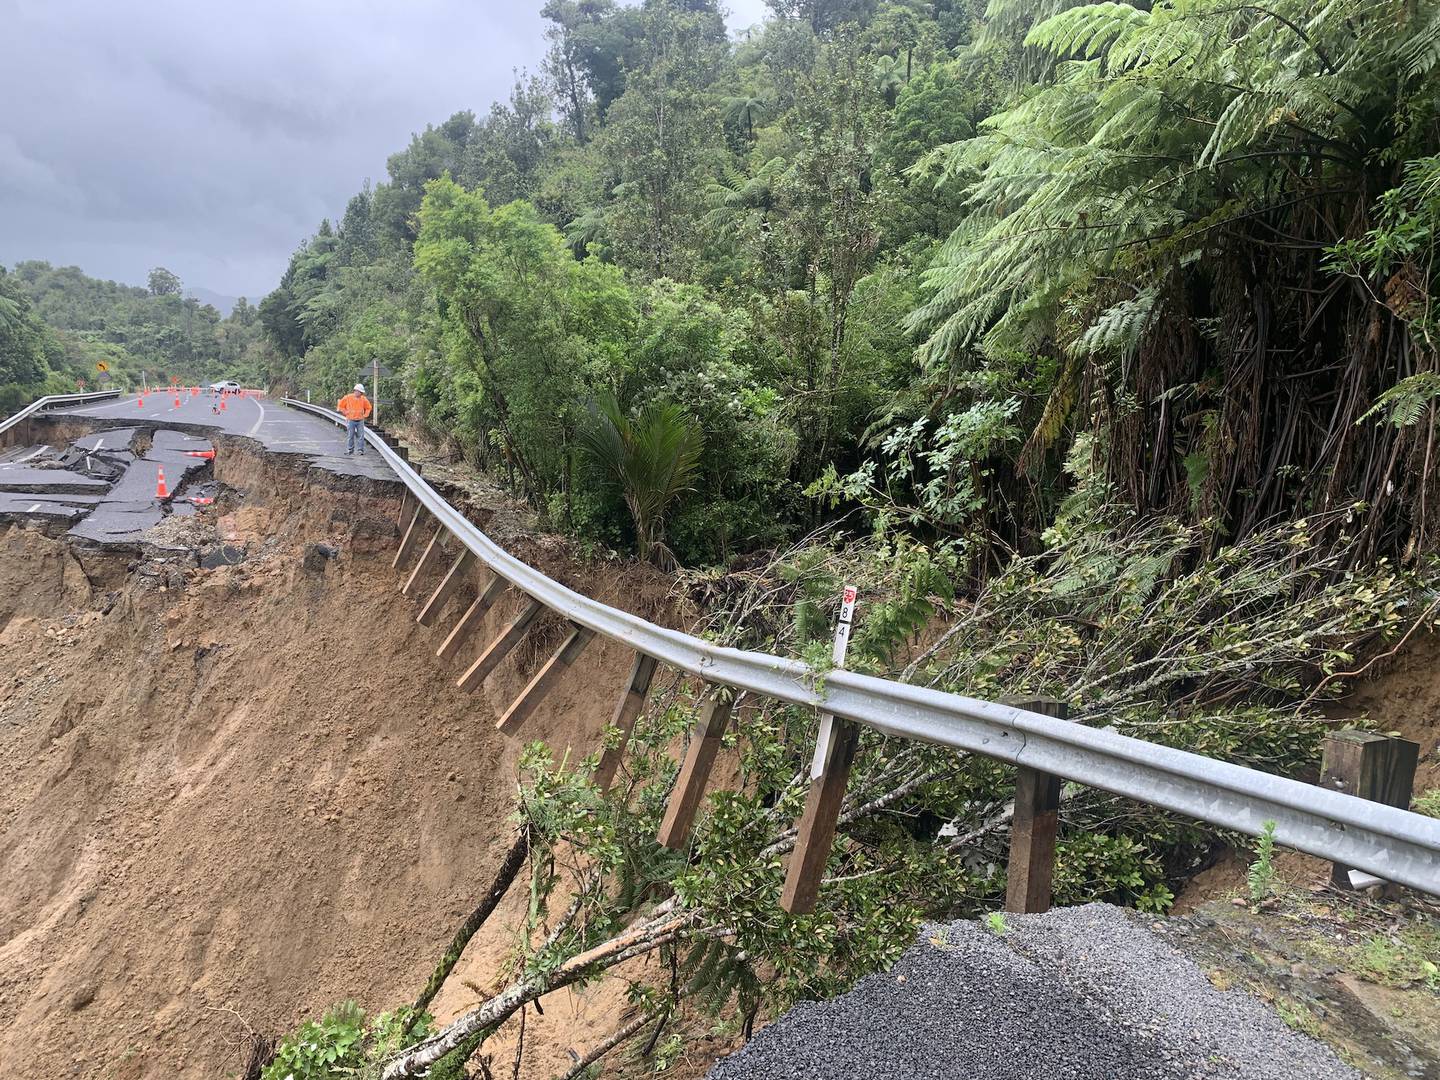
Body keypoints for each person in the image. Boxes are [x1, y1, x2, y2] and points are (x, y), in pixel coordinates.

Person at [337, 383, 373, 455]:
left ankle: (360, 450)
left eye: (361, 392)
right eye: (359, 392)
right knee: (350, 435)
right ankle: (350, 450)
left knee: (361, 436)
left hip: (360, 420)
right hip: (351, 420)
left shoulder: (363, 399)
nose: (360, 394)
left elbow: (368, 407)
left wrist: (365, 415)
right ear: (356, 391)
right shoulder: (348, 397)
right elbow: (340, 406)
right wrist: (346, 412)